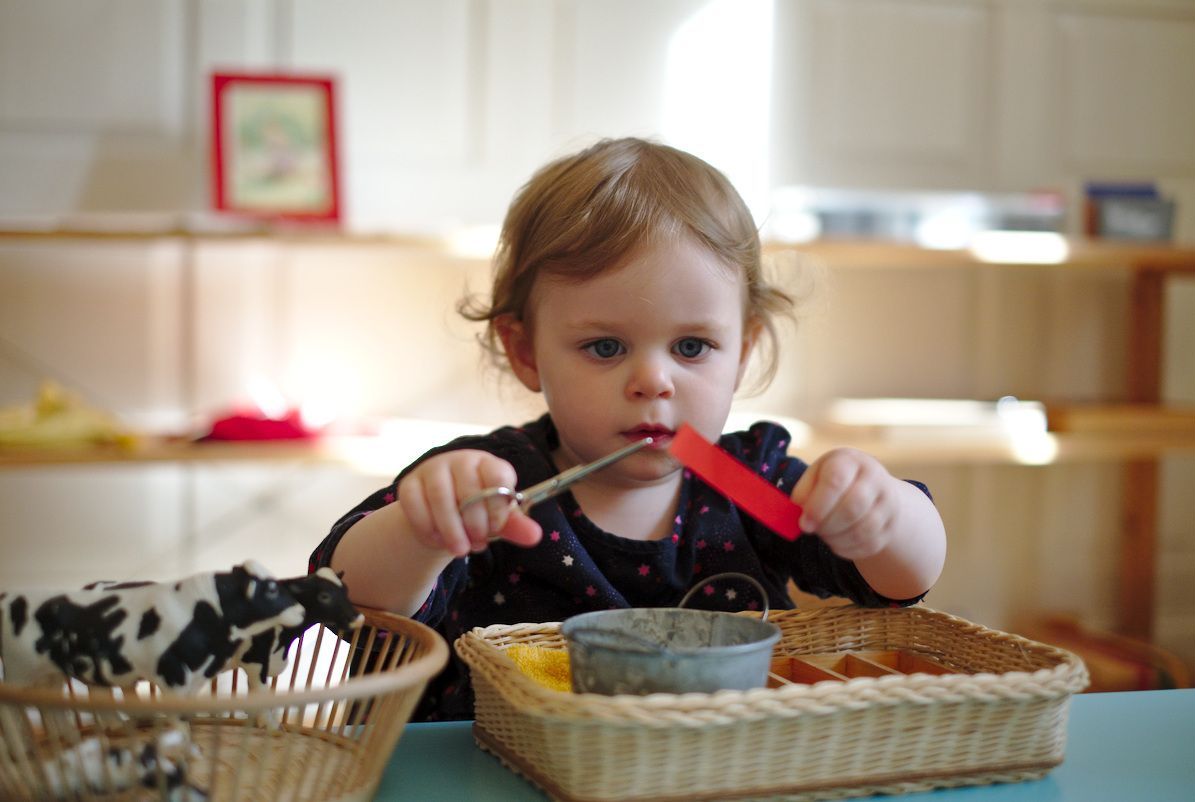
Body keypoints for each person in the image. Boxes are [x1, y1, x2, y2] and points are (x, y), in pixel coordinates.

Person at [309, 137, 947, 721]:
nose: (654, 382)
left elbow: (900, 582)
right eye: (606, 347)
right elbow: (350, 598)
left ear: (744, 350)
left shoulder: (749, 482)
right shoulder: (492, 487)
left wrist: (884, 514)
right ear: (526, 351)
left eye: (692, 347)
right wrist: (425, 531)